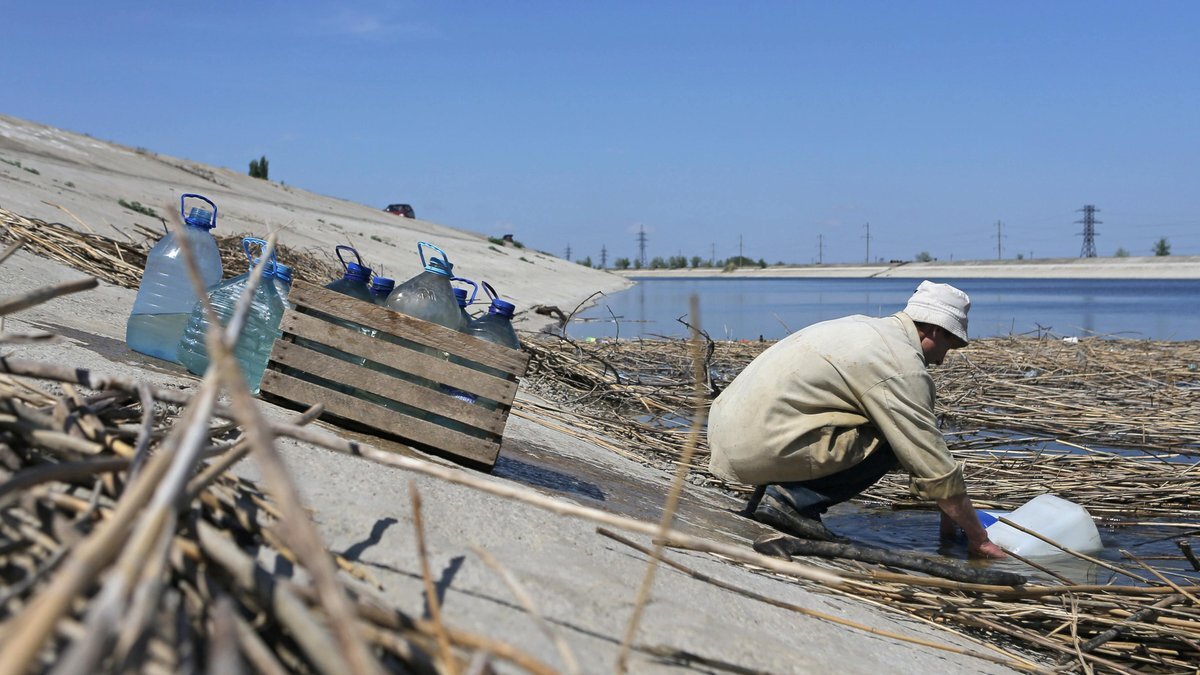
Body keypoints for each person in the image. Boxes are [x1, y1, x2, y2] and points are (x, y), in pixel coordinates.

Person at [706, 280, 1004, 558]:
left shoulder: (864, 328)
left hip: (729, 435)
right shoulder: (901, 365)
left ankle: (774, 497)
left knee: (880, 425)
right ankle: (792, 501)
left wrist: (949, 518)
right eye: (947, 349)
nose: (941, 360)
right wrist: (980, 539)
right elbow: (930, 460)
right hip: (762, 444)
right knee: (891, 438)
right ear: (936, 331)